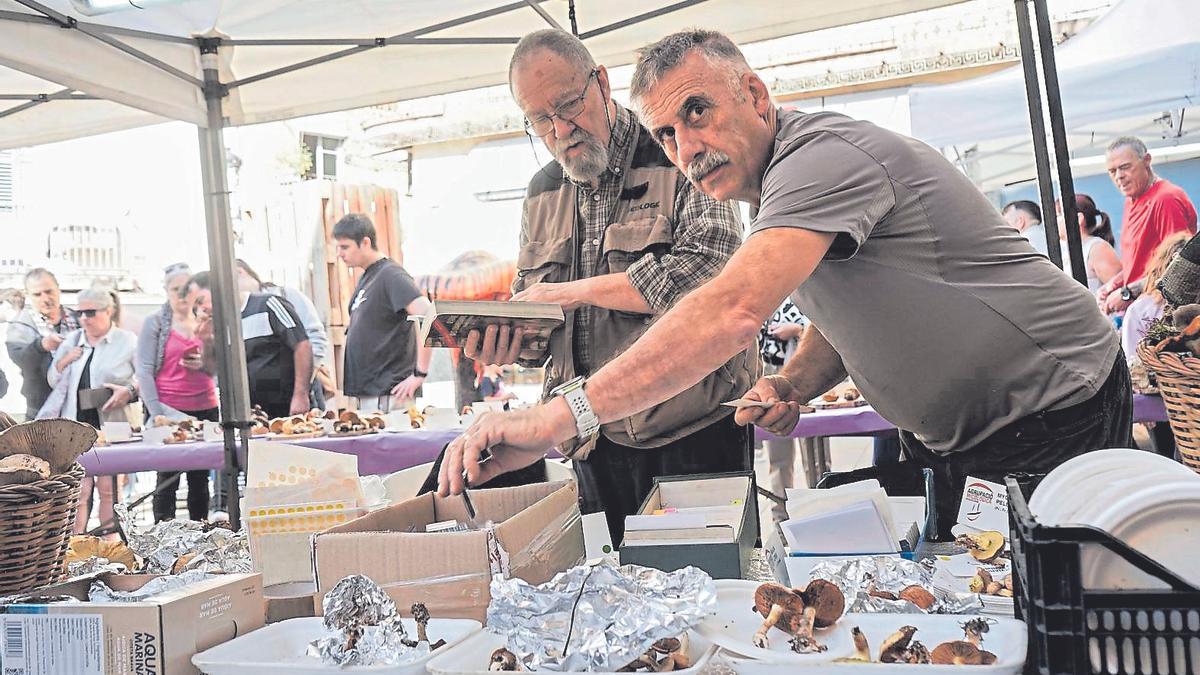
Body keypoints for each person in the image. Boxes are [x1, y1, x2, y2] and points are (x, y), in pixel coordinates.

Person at [438, 29, 1131, 538]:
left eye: (698, 113)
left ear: (756, 94)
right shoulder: (766, 188)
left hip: (1054, 407)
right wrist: (793, 384)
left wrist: (555, 418)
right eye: (668, 133)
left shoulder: (818, 158)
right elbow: (848, 310)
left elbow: (730, 311)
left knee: (1059, 617)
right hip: (965, 437)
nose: (686, 147)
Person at [462, 29, 756, 545]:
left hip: (693, 436)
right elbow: (545, 321)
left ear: (601, 82)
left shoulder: (677, 149)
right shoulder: (541, 192)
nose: (560, 128)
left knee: (716, 608)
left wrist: (574, 291)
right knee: (612, 606)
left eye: (569, 105)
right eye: (539, 119)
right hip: (592, 445)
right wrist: (511, 341)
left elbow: (710, 276)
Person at [41, 288, 137, 536]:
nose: (84, 318)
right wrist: (63, 362)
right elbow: (53, 379)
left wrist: (127, 390)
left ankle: (111, 545)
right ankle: (73, 546)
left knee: (110, 490)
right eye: (80, 312)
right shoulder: (73, 340)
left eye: (90, 312)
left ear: (108, 311)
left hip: (112, 425)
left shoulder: (126, 341)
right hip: (75, 429)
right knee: (77, 492)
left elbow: (144, 379)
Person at [137, 263, 217, 522]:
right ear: (166, 291)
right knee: (167, 479)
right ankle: (163, 534)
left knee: (200, 478)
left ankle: (201, 532)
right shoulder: (156, 323)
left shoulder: (208, 320)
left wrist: (205, 362)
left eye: (187, 289)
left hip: (205, 405)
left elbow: (221, 367)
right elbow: (145, 370)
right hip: (168, 407)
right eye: (176, 289)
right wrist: (156, 411)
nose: (183, 296)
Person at [332, 214, 433, 413]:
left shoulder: (391, 274)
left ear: (365, 242)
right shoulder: (368, 276)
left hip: (389, 394)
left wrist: (420, 374)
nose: (339, 254)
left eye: (345, 247)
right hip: (369, 394)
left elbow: (428, 317)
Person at [1097, 137, 1197, 314]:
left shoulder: (1166, 199)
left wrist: (1128, 293)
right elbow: (1140, 263)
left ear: (1147, 160)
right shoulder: (1132, 200)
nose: (1119, 176)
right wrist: (1115, 284)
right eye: (1112, 171)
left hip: (1162, 310)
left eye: (1125, 167)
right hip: (1142, 307)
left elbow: (1177, 267)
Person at [193, 271, 312, 419]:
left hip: (285, 408)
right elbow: (212, 370)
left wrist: (300, 395)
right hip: (247, 415)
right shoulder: (220, 323)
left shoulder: (269, 304)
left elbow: (302, 345)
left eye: (200, 300)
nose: (200, 308)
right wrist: (206, 341)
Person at [1121, 233, 1190, 460]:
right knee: (1166, 457)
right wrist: (1141, 390)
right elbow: (1132, 362)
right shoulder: (1141, 310)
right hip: (1156, 398)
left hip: (1190, 397)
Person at [235, 258, 331, 410]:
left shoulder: (282, 295)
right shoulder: (238, 312)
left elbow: (313, 338)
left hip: (297, 393)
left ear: (240, 273)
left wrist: (305, 385)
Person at [6, 268, 78, 420]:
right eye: (37, 294)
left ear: (58, 289)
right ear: (28, 295)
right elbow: (21, 360)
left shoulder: (78, 318)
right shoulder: (20, 325)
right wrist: (41, 346)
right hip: (40, 408)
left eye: (49, 291)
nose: (45, 298)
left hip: (78, 406)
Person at [1058, 194, 1122, 292]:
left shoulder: (1097, 249)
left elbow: (1119, 290)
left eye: (1058, 215)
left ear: (1079, 218)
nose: (1054, 221)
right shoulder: (1065, 251)